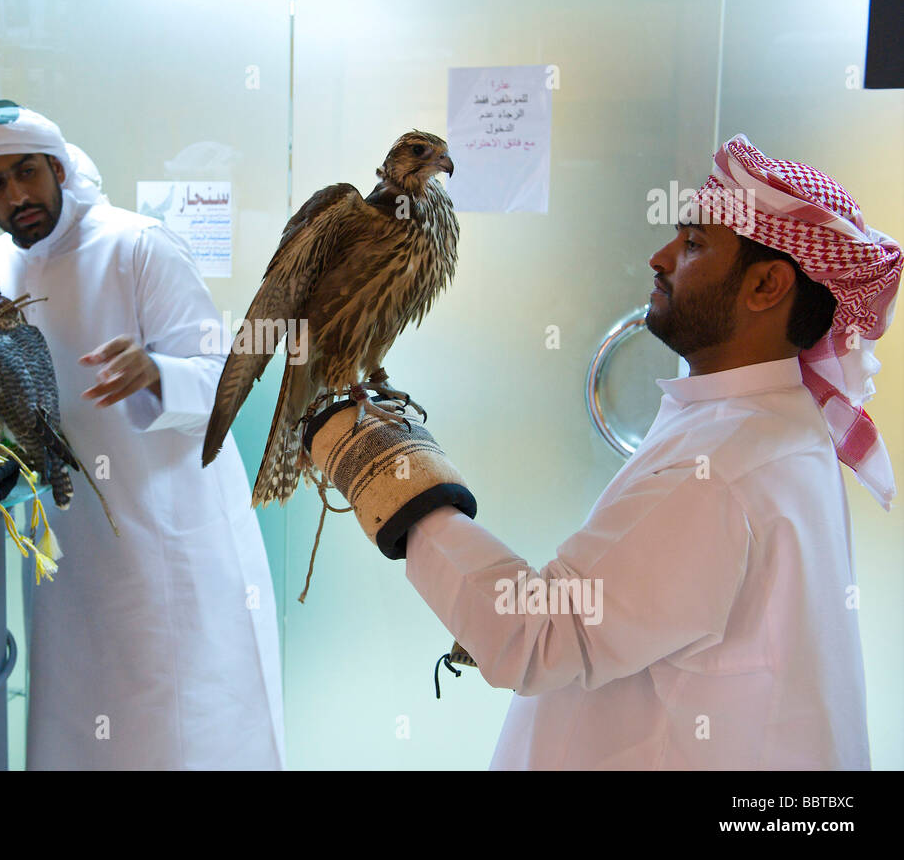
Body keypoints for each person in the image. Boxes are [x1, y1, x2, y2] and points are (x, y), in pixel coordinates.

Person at [306, 134, 900, 769]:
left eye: (693, 244)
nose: (660, 256)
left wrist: (396, 486)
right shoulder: (768, 425)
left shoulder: (723, 467)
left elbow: (535, 634)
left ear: (766, 285)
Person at [0, 101, 284, 770]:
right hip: (68, 559)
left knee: (184, 732)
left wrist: (155, 371)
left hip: (169, 552)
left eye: (27, 173)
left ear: (58, 166)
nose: (17, 195)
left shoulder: (139, 246)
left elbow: (226, 374)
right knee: (80, 731)